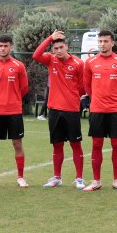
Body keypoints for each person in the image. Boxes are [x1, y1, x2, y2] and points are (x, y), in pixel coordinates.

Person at [32, 31, 86, 189]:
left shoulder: (78, 63)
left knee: (76, 144)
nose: (59, 50)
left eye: (61, 47)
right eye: (55, 48)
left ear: (67, 47)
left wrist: (72, 97)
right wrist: (50, 37)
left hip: (71, 110)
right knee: (57, 145)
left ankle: (79, 178)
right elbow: (36, 55)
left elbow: (83, 87)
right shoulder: (50, 60)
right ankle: (57, 177)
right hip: (54, 110)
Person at [81, 30, 117, 192]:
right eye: (100, 41)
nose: (102, 44)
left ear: (112, 43)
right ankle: (96, 181)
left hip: (115, 109)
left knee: (116, 144)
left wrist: (114, 98)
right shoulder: (90, 62)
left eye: (105, 41)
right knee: (97, 144)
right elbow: (87, 86)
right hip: (97, 109)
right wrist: (97, 99)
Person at [0, 35, 29, 188]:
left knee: (17, 143)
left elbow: (24, 88)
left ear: (11, 47)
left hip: (14, 110)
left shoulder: (19, 66)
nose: (3, 48)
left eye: (6, 46)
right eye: (0, 46)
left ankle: (20, 177)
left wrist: (12, 99)